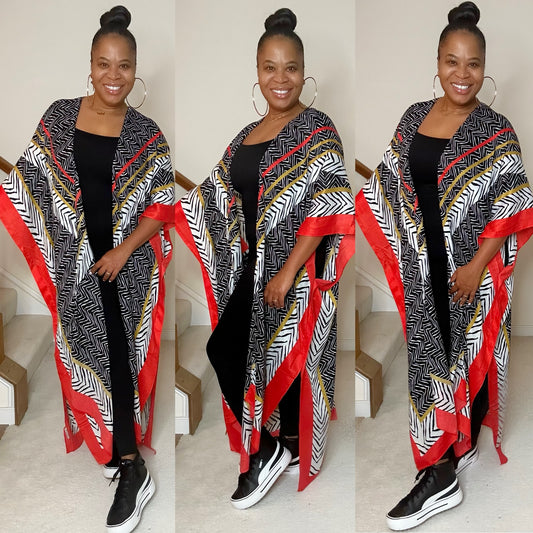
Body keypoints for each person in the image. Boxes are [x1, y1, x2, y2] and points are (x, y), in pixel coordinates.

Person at [356, 2, 533, 530]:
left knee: (466, 350)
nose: (463, 73)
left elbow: (514, 202)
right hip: (422, 265)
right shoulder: (414, 117)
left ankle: (443, 471)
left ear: (485, 68)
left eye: (473, 63)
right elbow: (389, 181)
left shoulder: (496, 130)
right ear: (437, 63)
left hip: (472, 270)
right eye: (452, 61)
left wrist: (477, 265)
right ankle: (442, 459)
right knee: (428, 359)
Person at [0, 6, 174, 532]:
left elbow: (161, 204)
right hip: (76, 263)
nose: (113, 76)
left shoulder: (145, 132)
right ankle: (114, 443)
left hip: (126, 264)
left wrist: (123, 252)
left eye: (124, 66)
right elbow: (30, 180)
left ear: (135, 69)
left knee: (119, 352)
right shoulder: (59, 116)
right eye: (104, 64)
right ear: (90, 65)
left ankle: (132, 467)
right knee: (86, 352)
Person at [176, 7, 354, 510]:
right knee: (238, 350)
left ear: (305, 72)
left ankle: (285, 446)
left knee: (289, 353)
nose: (281, 78)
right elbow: (214, 194)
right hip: (252, 266)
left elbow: (330, 203)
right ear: (257, 72)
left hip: (297, 267)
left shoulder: (317, 128)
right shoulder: (245, 136)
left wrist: (288, 270)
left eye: (291, 67)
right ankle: (275, 446)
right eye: (270, 68)